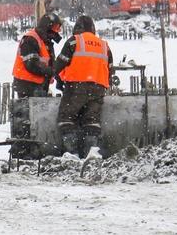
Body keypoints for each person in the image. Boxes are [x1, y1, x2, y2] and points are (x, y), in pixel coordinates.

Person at [53, 15, 112, 158]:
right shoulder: (104, 46)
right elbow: (110, 70)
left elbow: (59, 65)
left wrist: (59, 81)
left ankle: (72, 154)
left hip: (76, 87)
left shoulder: (74, 41)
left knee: (66, 118)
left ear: (77, 28)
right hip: (99, 88)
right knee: (92, 121)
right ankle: (91, 154)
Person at [8, 13, 62, 158]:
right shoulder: (31, 39)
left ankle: (32, 150)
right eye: (56, 28)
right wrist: (51, 71)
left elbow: (48, 63)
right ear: (48, 27)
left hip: (38, 85)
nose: (57, 32)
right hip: (27, 85)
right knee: (27, 121)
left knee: (35, 119)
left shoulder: (45, 41)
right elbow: (31, 64)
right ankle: (23, 151)